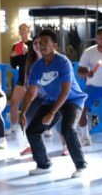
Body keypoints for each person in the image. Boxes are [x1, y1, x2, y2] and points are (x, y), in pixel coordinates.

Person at [19, 29, 88, 178]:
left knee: (68, 129)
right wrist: (23, 113)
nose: (42, 46)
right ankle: (44, 164)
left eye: (46, 42)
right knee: (32, 131)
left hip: (72, 100)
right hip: (52, 101)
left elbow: (65, 90)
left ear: (54, 45)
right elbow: (30, 91)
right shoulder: (37, 67)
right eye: (39, 43)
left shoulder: (63, 62)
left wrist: (51, 113)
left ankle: (81, 165)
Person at [8, 23, 32, 136]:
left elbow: (37, 57)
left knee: (38, 105)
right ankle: (12, 126)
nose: (22, 31)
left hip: (33, 79)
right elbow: (14, 65)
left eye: (24, 29)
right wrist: (12, 56)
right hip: (22, 79)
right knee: (13, 102)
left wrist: (28, 51)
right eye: (20, 29)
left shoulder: (33, 44)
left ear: (29, 30)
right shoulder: (16, 45)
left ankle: (46, 128)